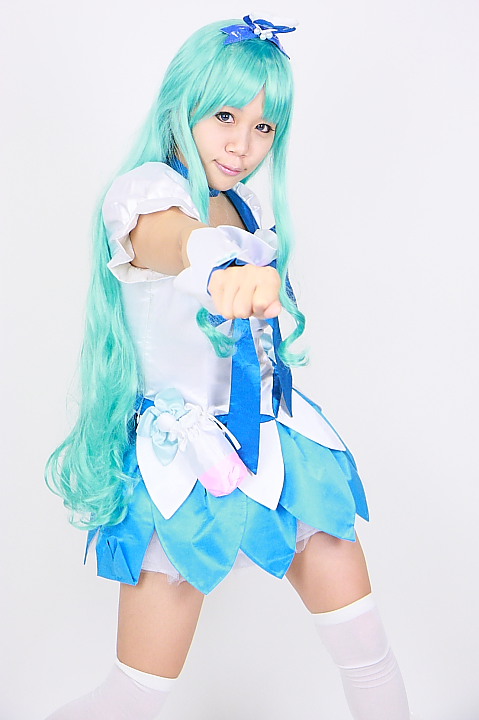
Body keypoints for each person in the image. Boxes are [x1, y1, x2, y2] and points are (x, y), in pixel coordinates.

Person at [44, 14, 413, 720]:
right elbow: (171, 240)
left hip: (281, 447)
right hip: (183, 460)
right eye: (224, 117)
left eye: (264, 126)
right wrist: (221, 271)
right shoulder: (145, 192)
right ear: (183, 103)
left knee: (368, 652)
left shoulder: (246, 206)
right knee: (134, 696)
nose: (243, 145)